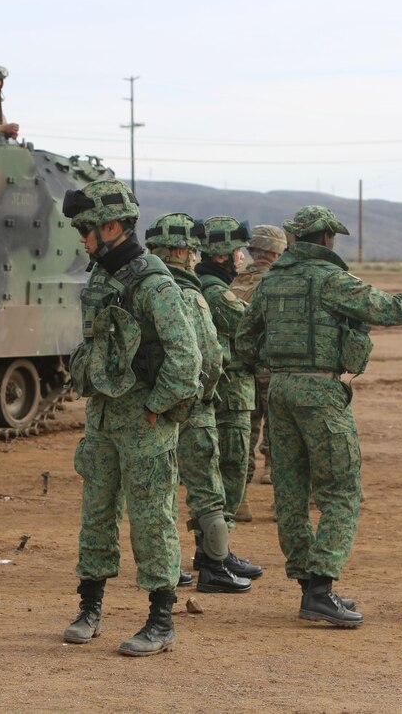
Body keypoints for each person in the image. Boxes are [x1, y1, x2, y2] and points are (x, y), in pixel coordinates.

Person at [236, 205, 402, 628]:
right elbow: (391, 310)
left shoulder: (273, 281)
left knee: (290, 492)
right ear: (326, 238)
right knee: (342, 490)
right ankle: (322, 589)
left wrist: (276, 364)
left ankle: (310, 587)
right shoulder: (331, 280)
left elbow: (245, 340)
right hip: (321, 393)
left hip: (282, 390)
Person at [60, 179, 201, 657]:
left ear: (114, 227)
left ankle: (161, 619)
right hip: (101, 416)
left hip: (144, 422)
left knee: (151, 519)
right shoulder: (101, 278)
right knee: (96, 514)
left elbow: (187, 359)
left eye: (88, 229)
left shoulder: (155, 283)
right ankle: (89, 608)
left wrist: (154, 408)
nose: (83, 238)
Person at [144, 212, 250, 594]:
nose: (195, 257)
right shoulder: (190, 295)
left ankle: (169, 567)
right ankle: (215, 567)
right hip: (192, 408)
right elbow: (208, 357)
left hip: (150, 409)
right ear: (180, 250)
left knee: (163, 489)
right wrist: (203, 398)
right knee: (207, 488)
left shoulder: (140, 288)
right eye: (192, 250)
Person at [194, 216, 262, 580]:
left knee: (215, 474)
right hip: (229, 395)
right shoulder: (216, 293)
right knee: (229, 472)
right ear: (222, 254)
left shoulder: (205, 284)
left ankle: (212, 551)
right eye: (237, 250)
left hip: (221, 392)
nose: (242, 257)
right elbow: (250, 331)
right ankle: (214, 557)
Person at [230, 224, 288, 496]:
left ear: (253, 252)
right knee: (279, 429)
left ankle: (240, 497)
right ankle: (273, 476)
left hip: (244, 368)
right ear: (277, 253)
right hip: (276, 366)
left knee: (245, 432)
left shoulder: (235, 281)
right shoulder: (282, 283)